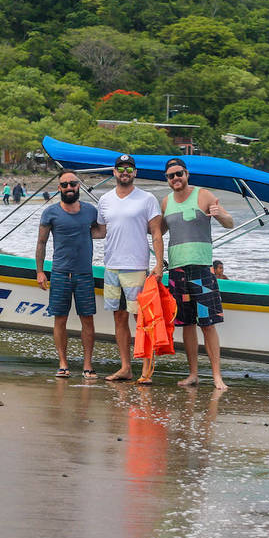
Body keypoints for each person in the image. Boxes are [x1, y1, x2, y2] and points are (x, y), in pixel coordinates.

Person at [160, 158, 234, 390]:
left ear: (187, 173)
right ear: (167, 179)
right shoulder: (166, 202)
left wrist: (219, 213)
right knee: (187, 324)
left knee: (208, 324)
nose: (176, 178)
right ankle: (193, 374)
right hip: (176, 269)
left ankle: (217, 376)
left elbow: (229, 223)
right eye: (171, 176)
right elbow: (157, 231)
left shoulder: (203, 195)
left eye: (179, 173)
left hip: (202, 268)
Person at [97, 153, 164, 381]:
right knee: (119, 318)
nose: (124, 172)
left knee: (142, 319)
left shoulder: (147, 199)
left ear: (135, 173)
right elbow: (101, 230)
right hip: (111, 267)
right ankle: (126, 367)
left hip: (136, 267)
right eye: (120, 168)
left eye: (129, 169)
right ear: (114, 172)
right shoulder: (104, 200)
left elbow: (156, 233)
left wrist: (158, 265)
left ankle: (147, 369)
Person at [35, 170, 105, 379]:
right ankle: (63, 363)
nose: (69, 188)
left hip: (84, 274)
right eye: (64, 185)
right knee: (60, 319)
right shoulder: (50, 213)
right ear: (59, 188)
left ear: (79, 186)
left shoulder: (91, 211)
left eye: (72, 184)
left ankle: (87, 365)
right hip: (59, 273)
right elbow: (41, 242)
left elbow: (102, 231)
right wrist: (39, 271)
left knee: (87, 320)